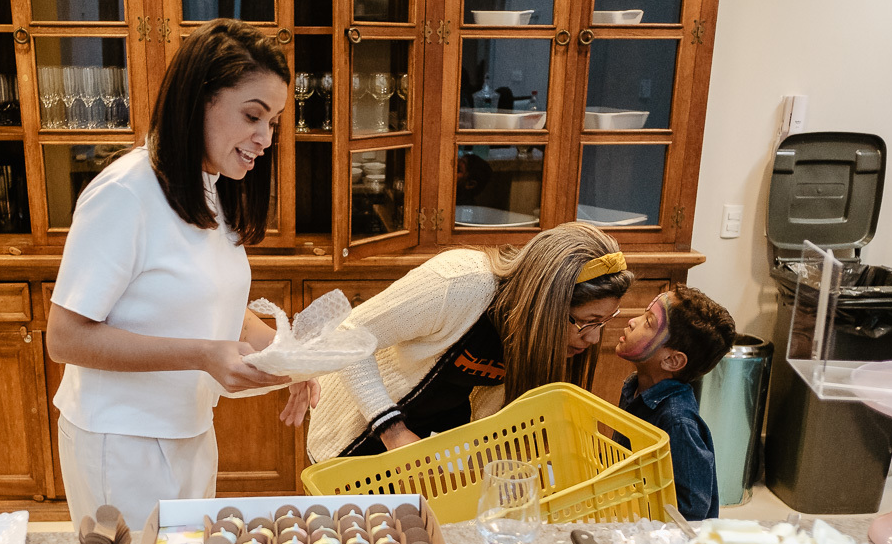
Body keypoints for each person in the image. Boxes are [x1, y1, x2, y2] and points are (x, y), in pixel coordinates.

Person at [46, 19, 318, 533]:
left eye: (275, 121)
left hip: (190, 430)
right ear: (201, 101)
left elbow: (213, 309)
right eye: (253, 116)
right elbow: (64, 338)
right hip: (121, 443)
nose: (265, 138)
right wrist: (201, 354)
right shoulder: (125, 194)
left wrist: (297, 359)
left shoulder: (211, 186)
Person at [307, 222, 634, 461]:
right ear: (545, 304)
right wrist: (393, 433)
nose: (592, 338)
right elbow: (350, 334)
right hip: (355, 434)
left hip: (420, 451)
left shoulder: (529, 331)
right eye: (586, 322)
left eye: (602, 323)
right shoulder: (460, 283)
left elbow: (492, 420)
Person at [614, 285, 736, 521]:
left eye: (648, 322)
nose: (632, 321)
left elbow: (694, 507)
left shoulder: (677, 421)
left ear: (672, 360)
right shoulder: (634, 387)